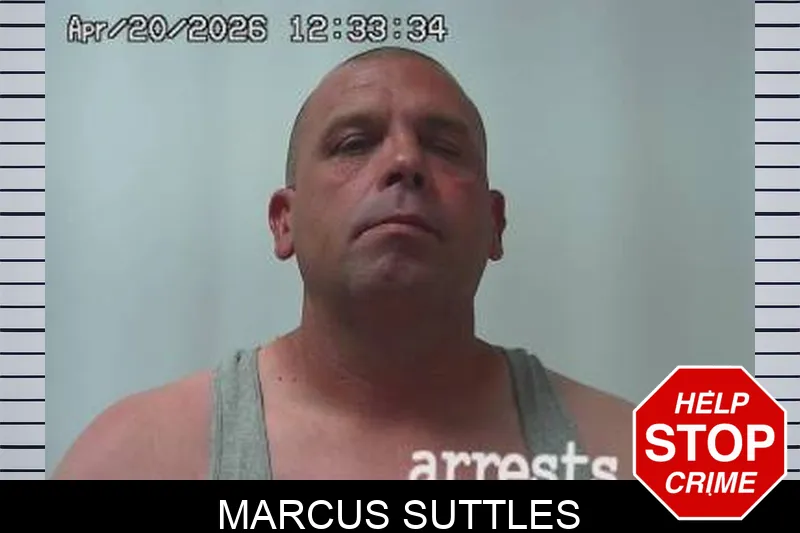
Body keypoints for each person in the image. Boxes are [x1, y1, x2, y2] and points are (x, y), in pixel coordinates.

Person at [53, 46, 633, 480]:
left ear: (494, 223)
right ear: (284, 221)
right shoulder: (133, 458)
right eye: (354, 143)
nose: (405, 161)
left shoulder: (643, 453)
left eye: (444, 147)